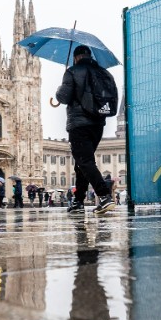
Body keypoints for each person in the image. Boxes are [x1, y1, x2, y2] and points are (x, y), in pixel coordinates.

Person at [55, 44, 116, 215]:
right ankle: (78, 201)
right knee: (82, 162)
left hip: (79, 124)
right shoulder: (104, 73)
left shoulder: (72, 71)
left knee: (85, 161)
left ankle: (104, 196)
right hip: (98, 124)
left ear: (75, 58)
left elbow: (64, 97)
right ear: (90, 56)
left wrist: (60, 89)